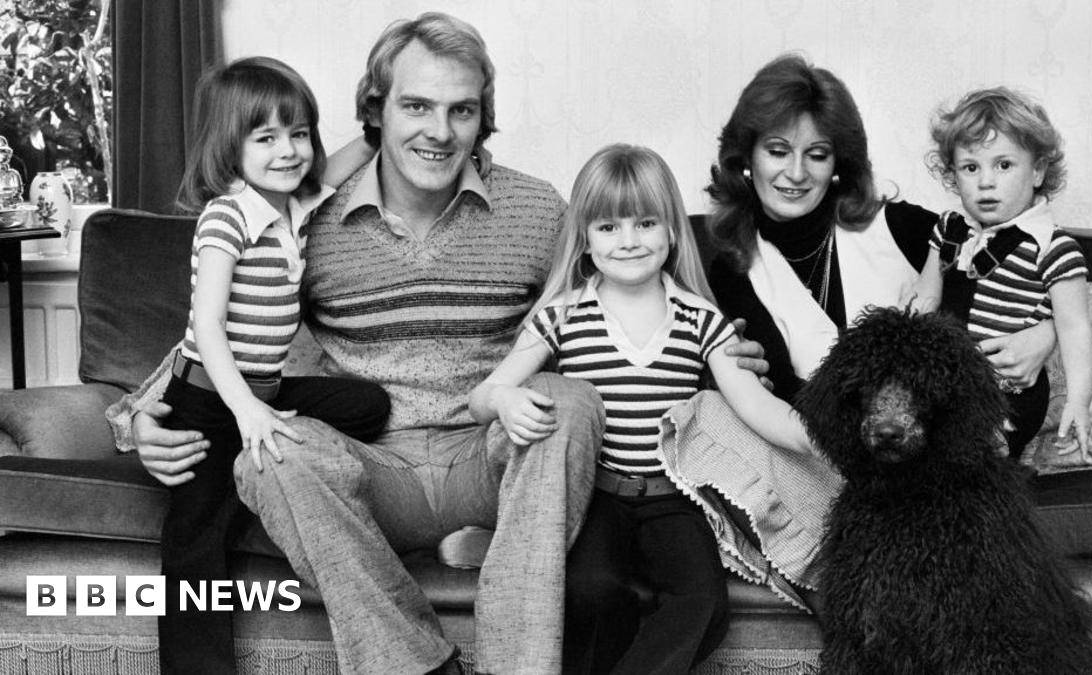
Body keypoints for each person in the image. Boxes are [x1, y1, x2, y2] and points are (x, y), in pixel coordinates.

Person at [112, 13, 769, 675]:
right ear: (376, 110)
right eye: (416, 105)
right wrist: (137, 414)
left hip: (494, 457)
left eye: (461, 110)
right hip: (374, 470)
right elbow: (221, 327)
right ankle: (419, 665)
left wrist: (722, 355)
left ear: (483, 117)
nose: (439, 130)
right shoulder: (309, 216)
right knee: (268, 457)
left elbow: (633, 302)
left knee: (567, 400)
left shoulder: (537, 211)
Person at [657, 54, 1061, 616]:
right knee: (711, 412)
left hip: (942, 444)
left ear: (838, 164)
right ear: (745, 158)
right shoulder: (726, 263)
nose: (795, 173)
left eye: (816, 155)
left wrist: (1045, 332)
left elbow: (1034, 267)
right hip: (829, 451)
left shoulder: (897, 225)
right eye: (777, 151)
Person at [470, 144, 810, 674]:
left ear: (672, 230)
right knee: (591, 589)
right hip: (598, 497)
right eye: (608, 227)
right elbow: (483, 395)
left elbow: (755, 407)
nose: (628, 241)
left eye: (645, 223)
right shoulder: (562, 315)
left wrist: (823, 439)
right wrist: (506, 398)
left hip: (672, 500)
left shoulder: (700, 319)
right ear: (584, 237)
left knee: (703, 603)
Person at [157, 56, 391, 674]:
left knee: (369, 404)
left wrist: (384, 116)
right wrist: (246, 411)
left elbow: (351, 156)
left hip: (265, 389)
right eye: (266, 138)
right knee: (195, 544)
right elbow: (206, 327)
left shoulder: (296, 204)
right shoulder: (226, 217)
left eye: (298, 133)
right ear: (231, 148)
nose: (288, 151)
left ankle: (259, 457)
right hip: (210, 397)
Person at [911, 86, 1092, 458]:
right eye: (970, 167)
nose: (986, 182)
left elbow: (1075, 328)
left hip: (1009, 393)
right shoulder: (949, 228)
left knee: (969, 456)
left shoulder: (1053, 247)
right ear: (953, 174)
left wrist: (1079, 400)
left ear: (1038, 170)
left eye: (1004, 165)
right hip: (948, 381)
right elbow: (926, 297)